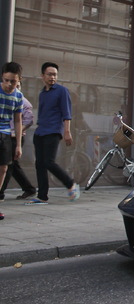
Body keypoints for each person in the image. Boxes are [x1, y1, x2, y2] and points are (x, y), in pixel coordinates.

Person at [26, 62, 80, 205]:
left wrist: (67, 131)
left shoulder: (62, 91)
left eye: (55, 74)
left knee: (49, 162)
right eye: (49, 74)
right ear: (42, 76)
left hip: (54, 131)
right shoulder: (42, 93)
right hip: (40, 132)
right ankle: (42, 196)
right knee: (40, 164)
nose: (52, 77)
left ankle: (70, 184)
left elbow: (66, 113)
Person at [3, 81, 36, 200]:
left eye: (17, 86)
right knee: (13, 166)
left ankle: (1, 192)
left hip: (15, 137)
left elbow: (28, 121)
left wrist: (16, 131)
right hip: (5, 136)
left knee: (7, 165)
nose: (14, 88)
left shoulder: (23, 102)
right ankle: (29, 188)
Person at [0, 62, 24, 211]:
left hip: (5, 134)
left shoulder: (18, 96)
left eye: (13, 81)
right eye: (6, 80)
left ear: (19, 80)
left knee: (3, 168)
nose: (9, 84)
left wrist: (19, 145)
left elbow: (18, 120)